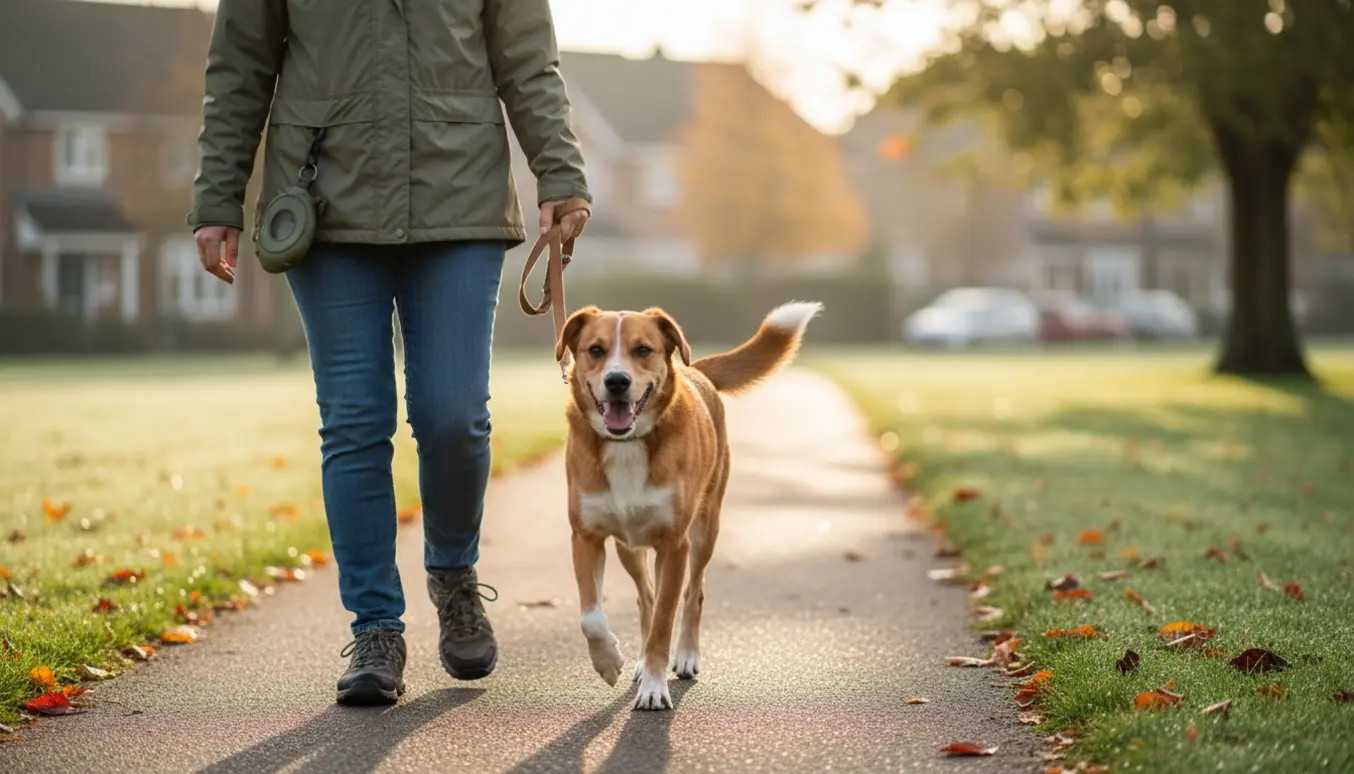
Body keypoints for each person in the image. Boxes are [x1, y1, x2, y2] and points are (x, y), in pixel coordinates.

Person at [189, 0, 591, 706]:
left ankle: (454, 578)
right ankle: (376, 626)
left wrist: (559, 168)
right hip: (324, 199)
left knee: (453, 414)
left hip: (459, 195)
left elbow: (527, 55)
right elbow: (241, 64)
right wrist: (218, 193)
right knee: (353, 420)